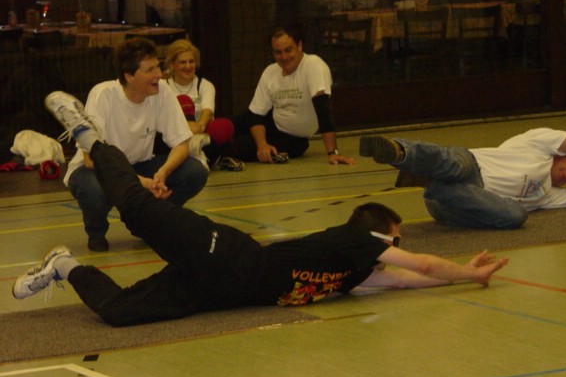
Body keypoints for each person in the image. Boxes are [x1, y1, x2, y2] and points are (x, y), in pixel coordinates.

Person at [12, 92, 509, 326]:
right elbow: (418, 262)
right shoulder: (357, 241)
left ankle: (64, 266)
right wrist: (465, 271)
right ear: (380, 234)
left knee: (120, 313)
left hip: (218, 291)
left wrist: (467, 279)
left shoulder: (354, 273)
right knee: (137, 209)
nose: (398, 249)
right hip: (222, 255)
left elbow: (405, 279)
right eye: (395, 239)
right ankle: (85, 133)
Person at [359, 129, 566, 230]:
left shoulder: (549, 196)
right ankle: (399, 153)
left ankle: (428, 182)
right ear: (564, 154)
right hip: (470, 167)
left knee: (517, 216)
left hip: (453, 207)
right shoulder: (536, 143)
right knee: (454, 161)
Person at [62, 39, 208, 252]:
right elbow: (91, 159)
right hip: (97, 170)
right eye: (150, 70)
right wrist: (142, 183)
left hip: (140, 166)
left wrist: (162, 174)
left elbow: (182, 144)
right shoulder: (102, 95)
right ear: (129, 76)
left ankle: (149, 224)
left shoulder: (162, 91)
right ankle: (96, 232)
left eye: (158, 66)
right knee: (94, 190)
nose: (159, 74)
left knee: (194, 171)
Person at [231, 25, 355, 165]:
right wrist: (262, 145)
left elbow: (323, 110)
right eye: (278, 52)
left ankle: (217, 153)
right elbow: (255, 115)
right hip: (270, 123)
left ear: (300, 46)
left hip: (293, 139)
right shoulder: (270, 72)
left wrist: (333, 153)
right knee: (224, 128)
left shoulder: (313, 65)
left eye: (288, 50)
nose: (283, 57)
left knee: (236, 146)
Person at [164, 39, 242, 171]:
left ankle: (200, 157)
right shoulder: (164, 87)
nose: (188, 66)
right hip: (176, 138)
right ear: (172, 65)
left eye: (191, 61)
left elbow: (208, 111)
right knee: (182, 102)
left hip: (201, 136)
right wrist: (186, 127)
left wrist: (199, 126)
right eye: (182, 62)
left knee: (224, 127)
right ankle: (206, 158)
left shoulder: (205, 85)